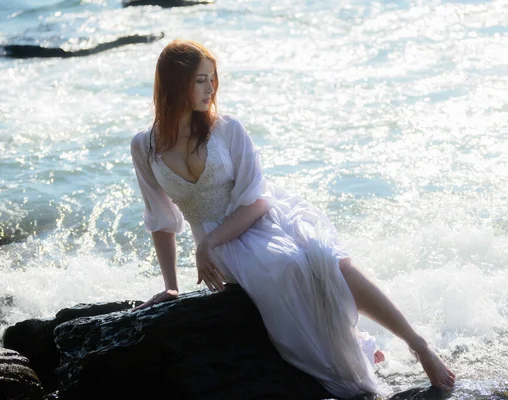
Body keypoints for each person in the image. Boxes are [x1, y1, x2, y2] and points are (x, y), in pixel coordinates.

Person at [130, 38, 456, 398]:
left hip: (255, 220)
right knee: (287, 265)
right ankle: (350, 349)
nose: (211, 88)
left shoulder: (227, 129)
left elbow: (256, 202)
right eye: (200, 80)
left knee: (322, 256)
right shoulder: (144, 145)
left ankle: (418, 344)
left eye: (212, 78)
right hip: (221, 247)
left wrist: (209, 243)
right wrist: (172, 286)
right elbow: (161, 220)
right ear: (176, 83)